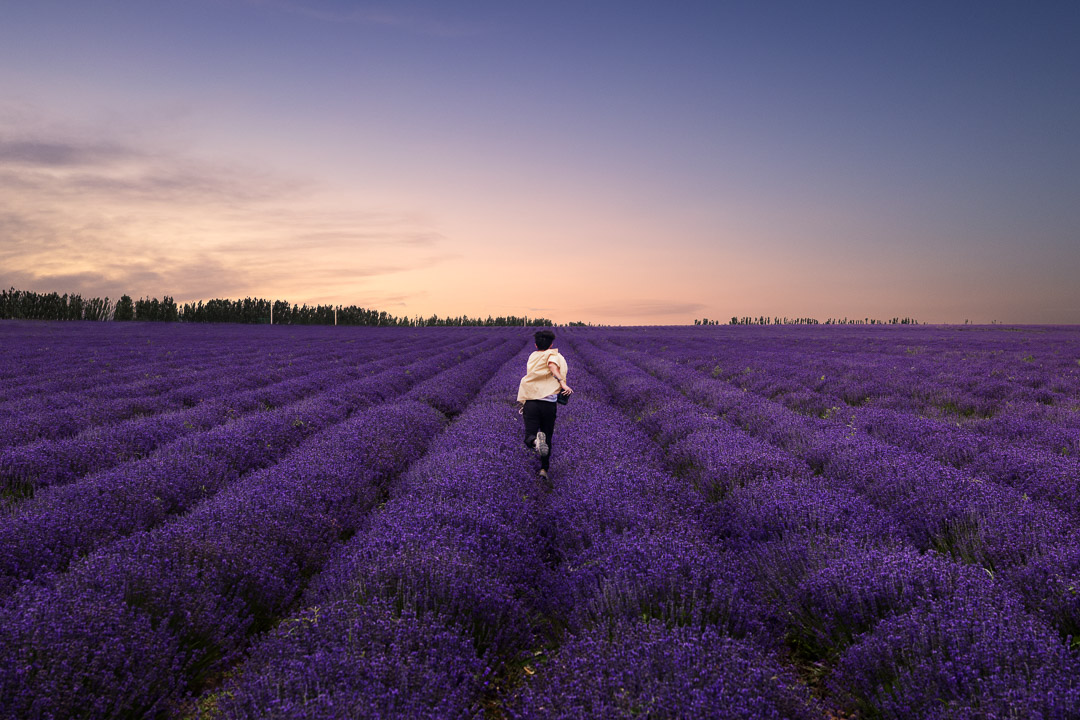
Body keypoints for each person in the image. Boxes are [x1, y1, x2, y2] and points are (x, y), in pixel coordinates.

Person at [517, 329, 573, 484]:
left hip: (531, 402)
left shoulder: (532, 356)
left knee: (530, 435)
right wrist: (562, 383)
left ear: (535, 344)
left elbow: (548, 366)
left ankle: (535, 442)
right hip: (548, 405)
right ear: (551, 344)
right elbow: (553, 366)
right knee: (547, 436)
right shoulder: (553, 355)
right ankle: (543, 470)